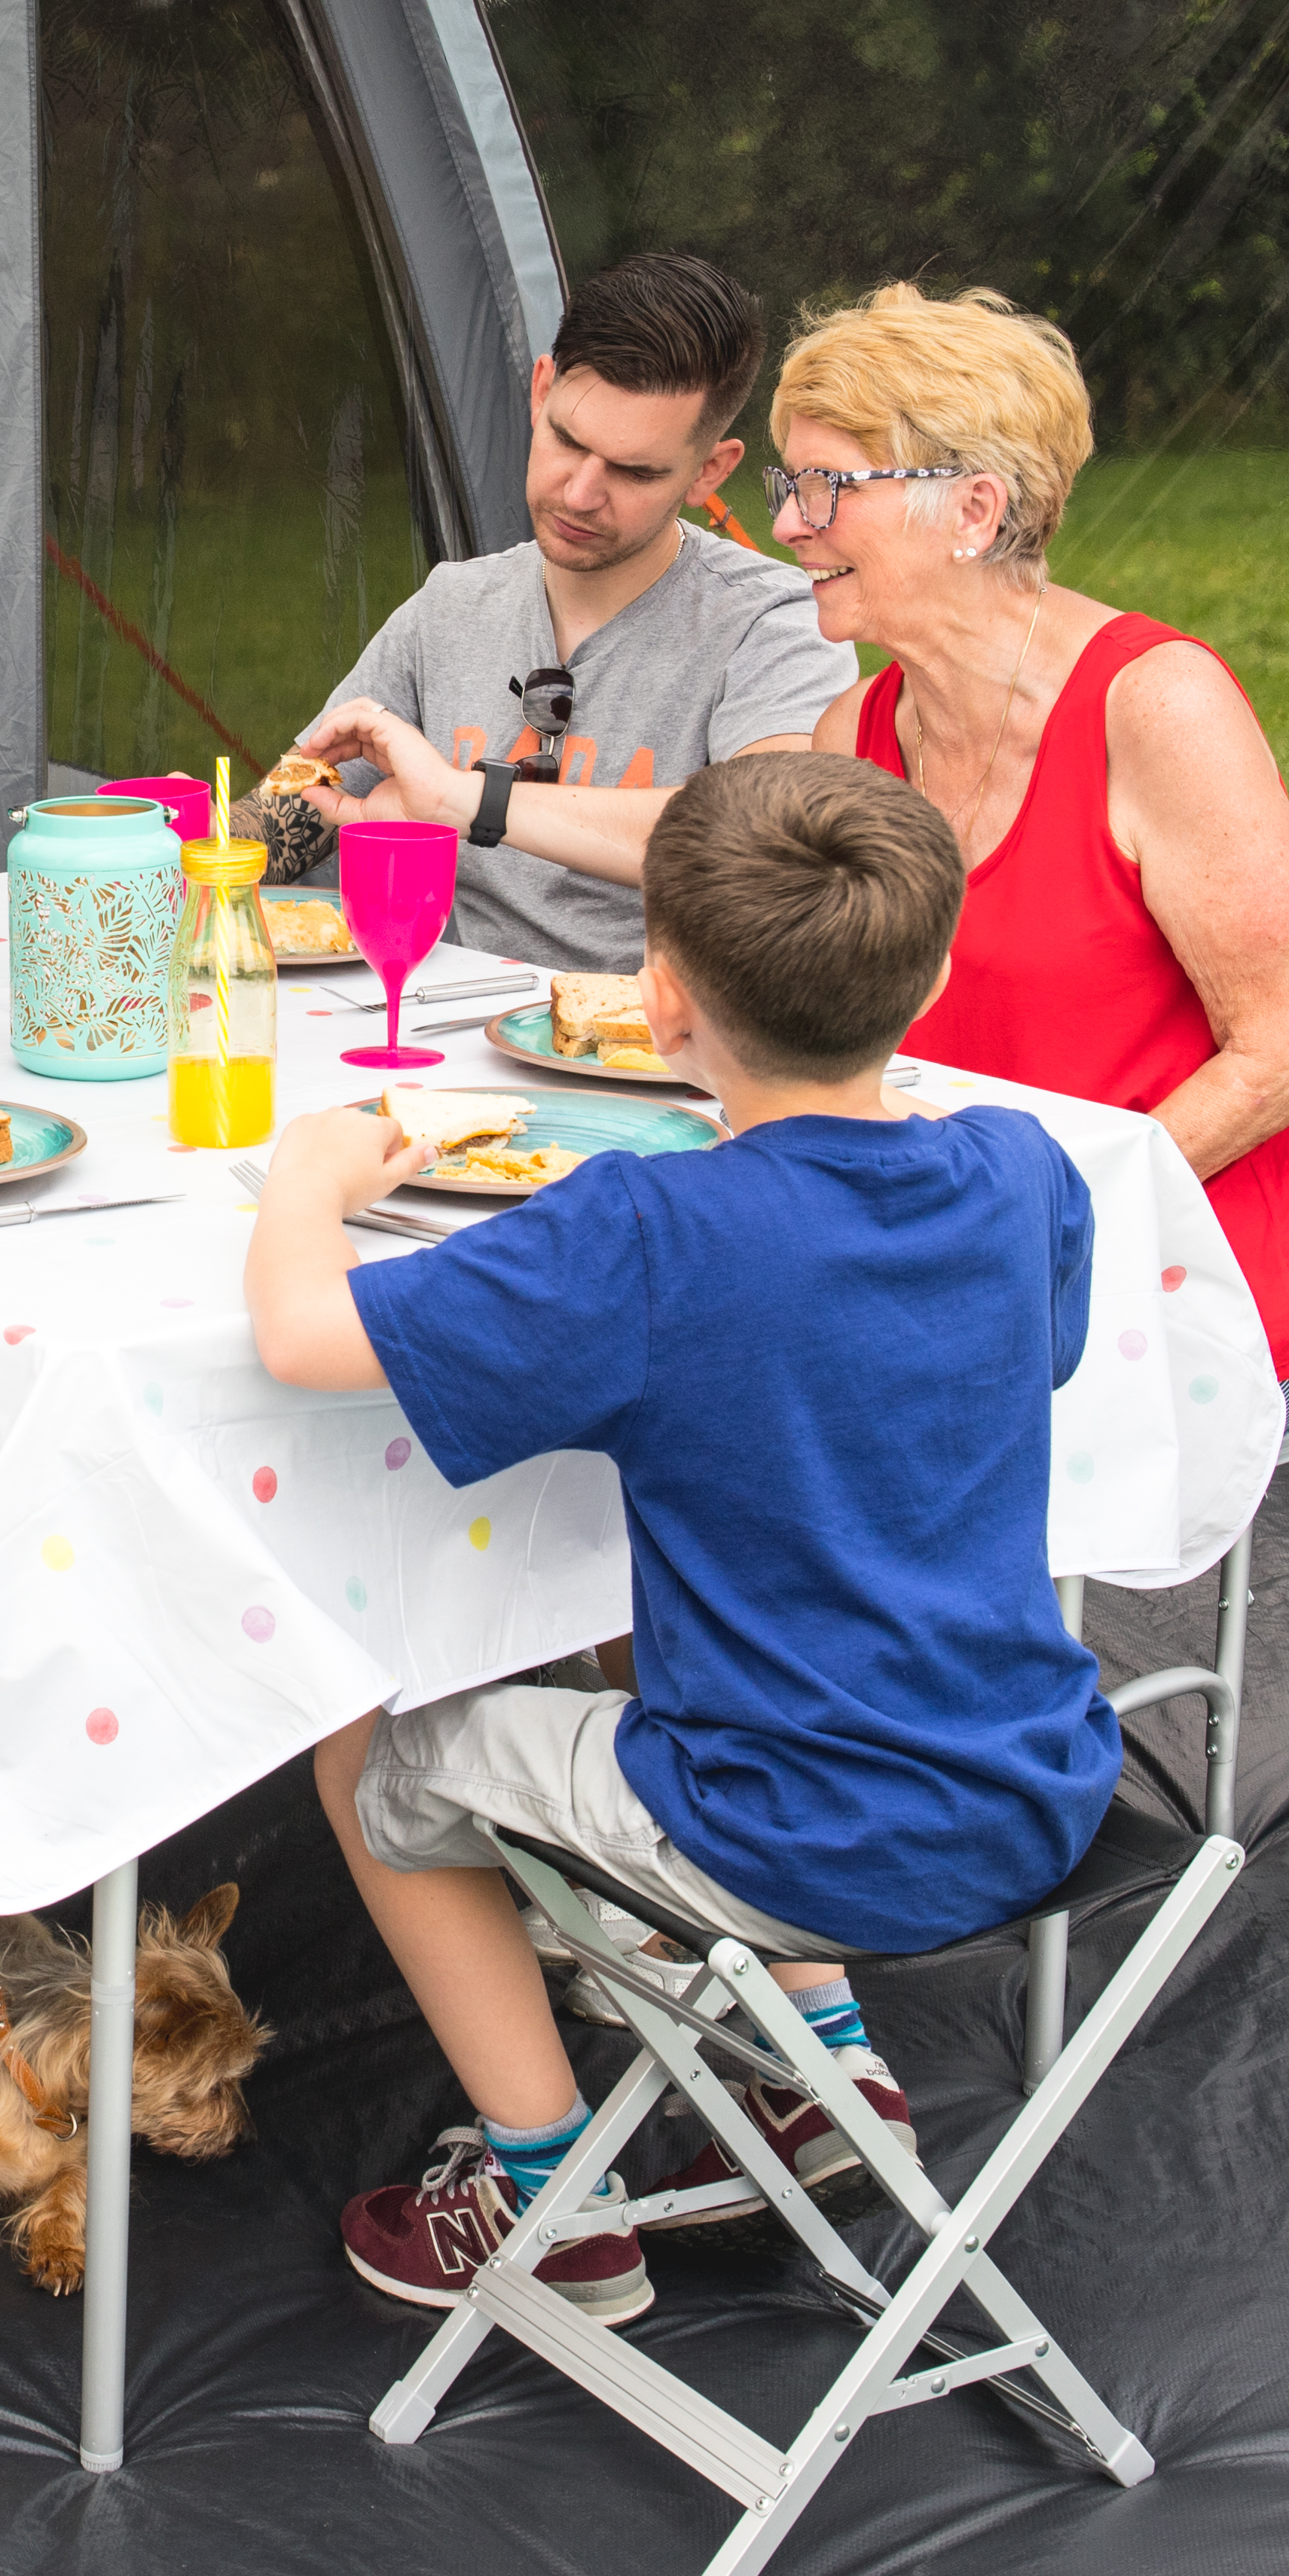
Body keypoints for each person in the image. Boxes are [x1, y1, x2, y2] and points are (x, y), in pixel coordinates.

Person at [243, 754, 1112, 2322]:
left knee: (361, 1753)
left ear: (657, 997)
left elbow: (304, 1337)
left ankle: (545, 2199)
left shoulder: (645, 1233)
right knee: (655, 1609)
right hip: (1041, 1786)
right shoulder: (1023, 1170)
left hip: (782, 1829)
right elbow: (1009, 1361)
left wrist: (306, 1181)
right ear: (924, 976)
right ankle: (826, 2065)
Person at [295, 282, 1289, 1404]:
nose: (789, 523)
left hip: (1159, 1276)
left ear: (974, 512)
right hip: (937, 1259)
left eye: (827, 489)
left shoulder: (1156, 708)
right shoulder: (865, 729)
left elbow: (1284, 1053)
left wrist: (1038, 1215)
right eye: (789, 486)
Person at [279, 251, 854, 972]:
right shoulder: (454, 603)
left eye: (635, 471)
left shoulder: (775, 621)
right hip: (439, 1026)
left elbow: (768, 837)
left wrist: (467, 801)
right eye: (567, 440)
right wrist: (174, 864)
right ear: (541, 389)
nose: (580, 493)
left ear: (711, 471)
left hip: (657, 1054)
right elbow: (305, 797)